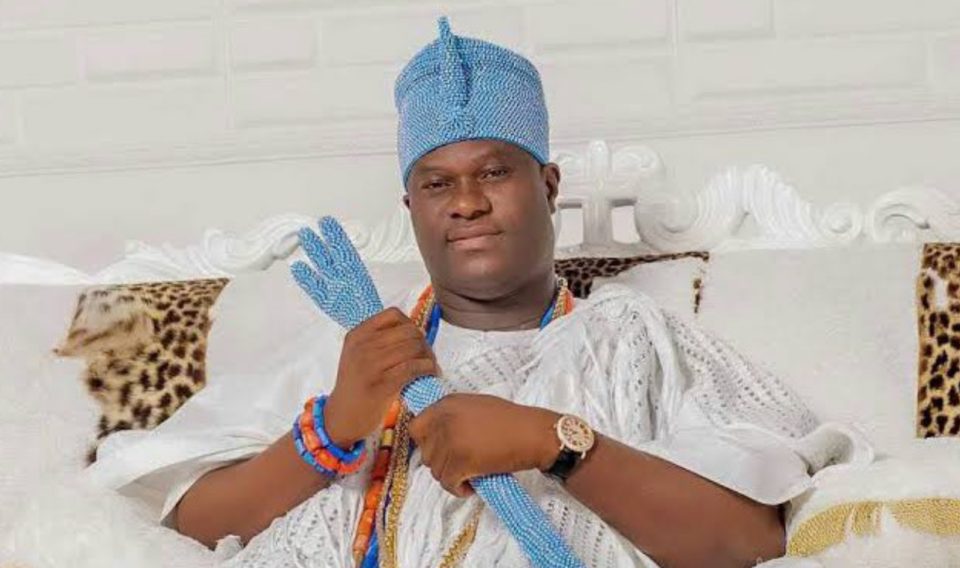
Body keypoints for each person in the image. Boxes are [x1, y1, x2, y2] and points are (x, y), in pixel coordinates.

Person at [87, 17, 867, 568]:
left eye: (494, 171)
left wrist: (553, 443)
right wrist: (334, 428)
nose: (466, 202)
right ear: (411, 207)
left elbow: (751, 542)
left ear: (548, 185)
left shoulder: (633, 338)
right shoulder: (356, 348)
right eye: (437, 183)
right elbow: (186, 525)